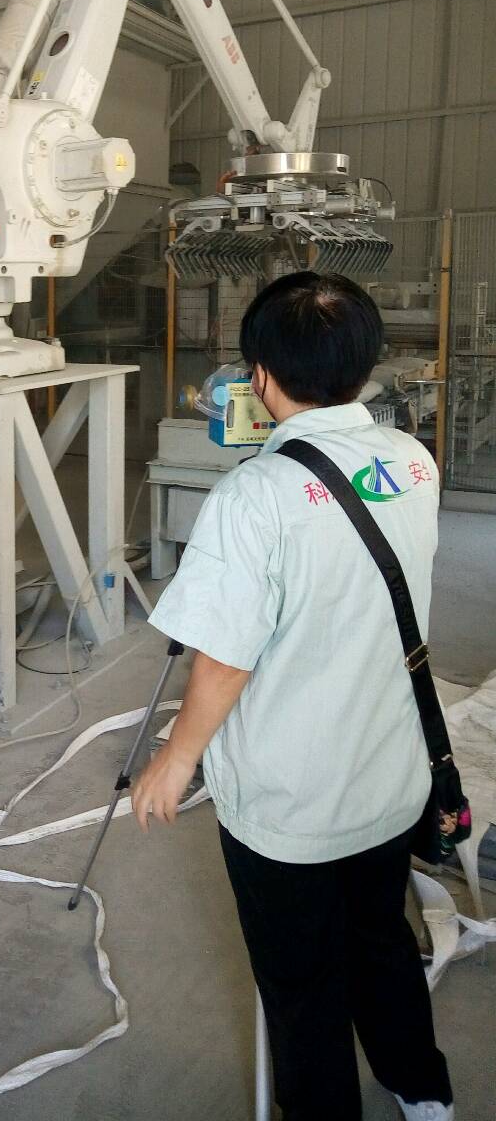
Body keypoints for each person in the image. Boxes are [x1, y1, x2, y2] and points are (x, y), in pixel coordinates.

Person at [131, 271, 453, 1121]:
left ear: (260, 376)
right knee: (382, 940)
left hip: (291, 802)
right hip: (390, 776)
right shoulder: (414, 462)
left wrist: (177, 758)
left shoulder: (254, 495)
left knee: (303, 984)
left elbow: (224, 660)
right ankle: (424, 1091)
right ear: (367, 366)